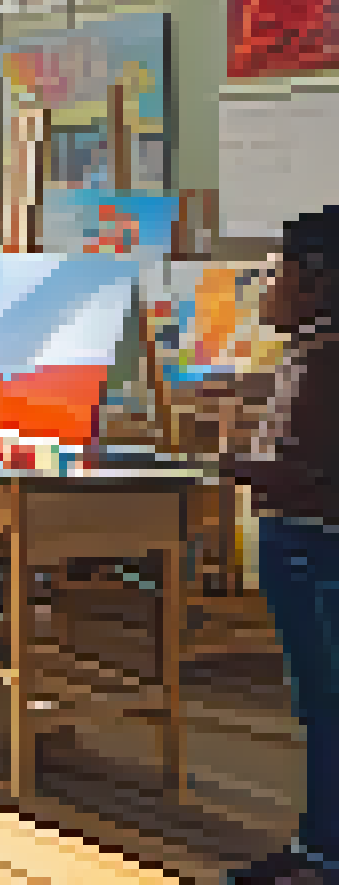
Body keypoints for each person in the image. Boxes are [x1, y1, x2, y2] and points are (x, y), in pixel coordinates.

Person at [227, 206, 339, 885]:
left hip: (311, 548)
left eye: (276, 273)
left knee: (325, 703)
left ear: (317, 281)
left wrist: (224, 464)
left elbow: (309, 471)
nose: (265, 286)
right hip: (307, 546)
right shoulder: (312, 357)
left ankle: (323, 854)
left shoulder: (323, 362)